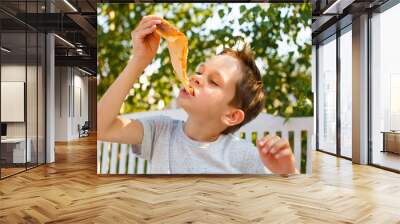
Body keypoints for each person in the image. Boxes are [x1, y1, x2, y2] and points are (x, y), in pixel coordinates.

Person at [98, 15, 298, 174]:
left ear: (231, 115)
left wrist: (288, 173)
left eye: (213, 81)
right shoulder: (159, 132)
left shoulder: (245, 156)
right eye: (200, 71)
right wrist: (139, 60)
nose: (195, 77)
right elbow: (100, 128)